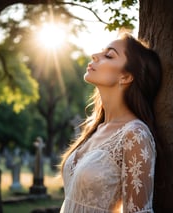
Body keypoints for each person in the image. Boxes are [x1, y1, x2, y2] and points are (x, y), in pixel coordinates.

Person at [59, 33, 162, 213]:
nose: (94, 56)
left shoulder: (135, 134)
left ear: (126, 77)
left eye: (109, 55)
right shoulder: (95, 130)